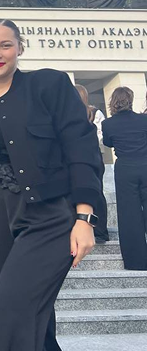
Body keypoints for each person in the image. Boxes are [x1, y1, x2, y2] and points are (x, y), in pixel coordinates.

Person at [0, 19, 102, 351]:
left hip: (48, 215)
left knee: (8, 309)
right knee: (34, 326)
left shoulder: (49, 84)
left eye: (5, 45)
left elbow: (81, 147)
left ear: (20, 47)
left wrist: (84, 217)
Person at [102, 87, 147, 270]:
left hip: (125, 170)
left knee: (129, 214)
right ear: (131, 100)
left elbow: (108, 142)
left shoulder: (107, 124)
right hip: (145, 164)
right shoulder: (143, 120)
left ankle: (136, 262)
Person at [75, 83, 109, 243]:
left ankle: (99, 231)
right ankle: (100, 231)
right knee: (97, 191)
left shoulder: (93, 112)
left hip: (86, 154)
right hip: (94, 154)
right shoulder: (94, 113)